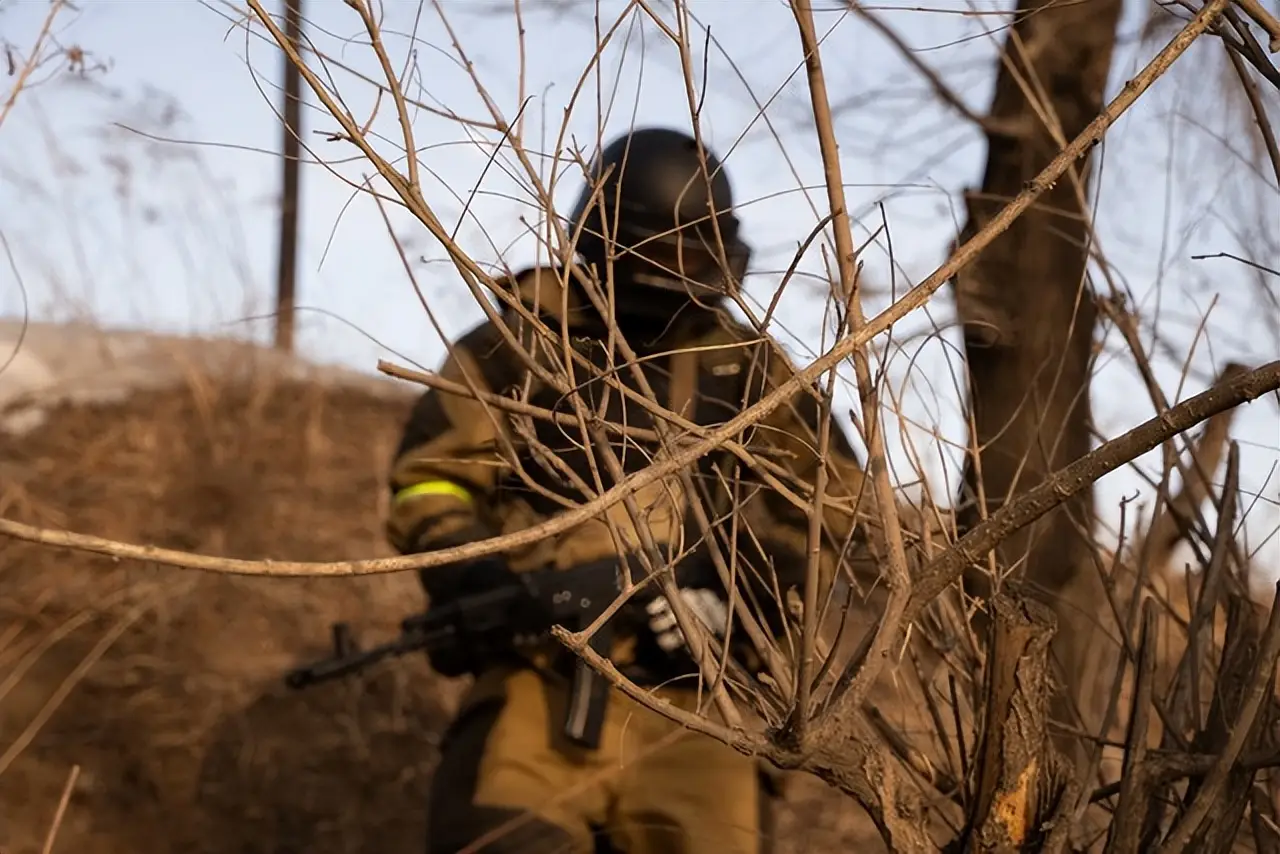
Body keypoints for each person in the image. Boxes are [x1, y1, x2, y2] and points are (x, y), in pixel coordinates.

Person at [385, 127, 881, 854]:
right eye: (676, 254)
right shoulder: (519, 343)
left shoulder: (751, 371)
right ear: (614, 242)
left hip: (708, 704)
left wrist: (734, 590)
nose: (696, 274)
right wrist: (475, 570)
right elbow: (430, 479)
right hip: (541, 678)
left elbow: (837, 511)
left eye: (708, 255)